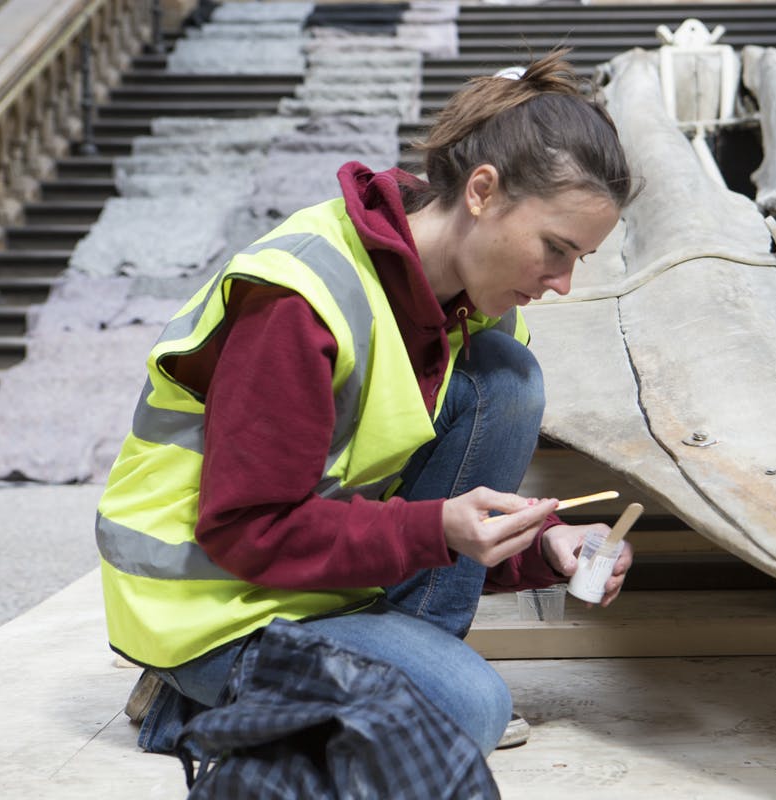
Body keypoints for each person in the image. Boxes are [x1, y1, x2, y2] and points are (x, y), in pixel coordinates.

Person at [95, 49, 636, 758]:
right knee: (467, 708)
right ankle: (189, 703)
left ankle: (399, 669)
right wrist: (440, 529)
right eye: (555, 248)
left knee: (507, 377)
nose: (562, 282)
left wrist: (542, 550)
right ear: (481, 190)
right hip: (209, 605)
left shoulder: (473, 310)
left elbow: (410, 507)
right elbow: (246, 530)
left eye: (578, 261)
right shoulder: (301, 301)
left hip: (313, 591)